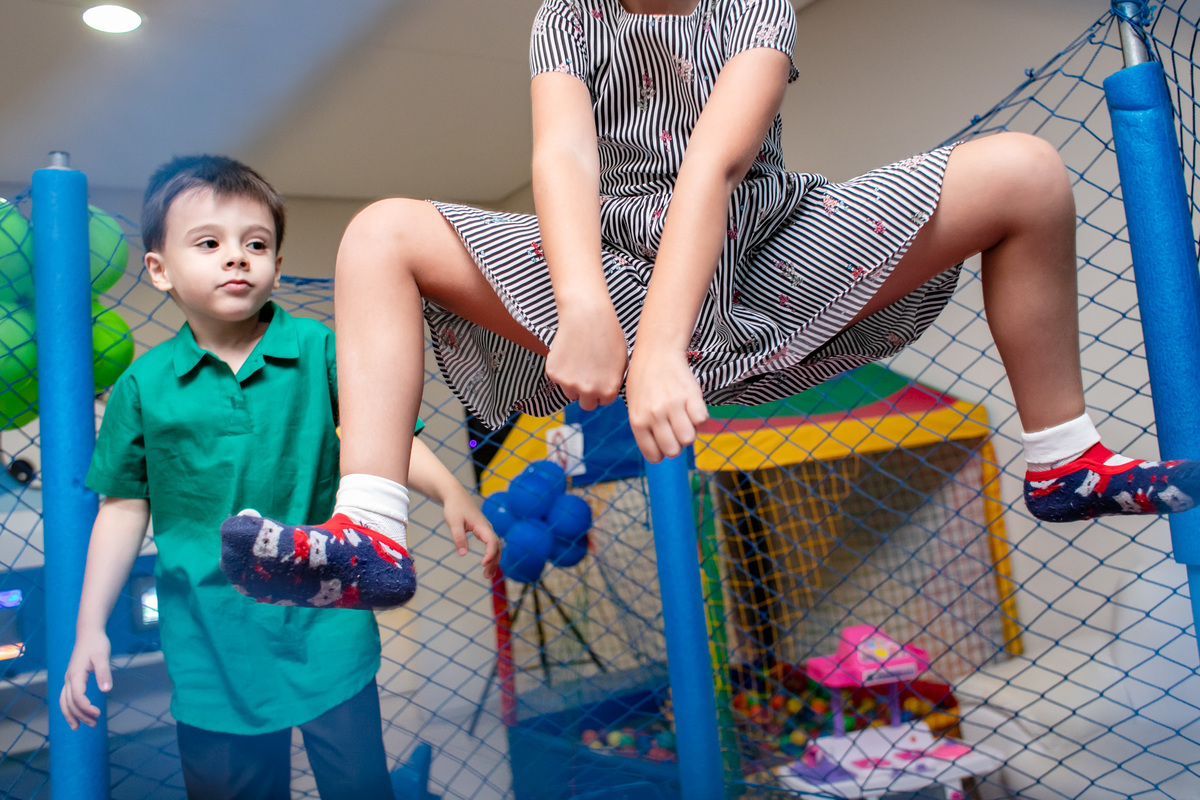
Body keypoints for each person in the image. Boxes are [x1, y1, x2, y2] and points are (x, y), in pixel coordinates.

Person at [225, 0, 1200, 608]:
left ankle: (1065, 456)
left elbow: (716, 162)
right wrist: (583, 305)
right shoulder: (568, 15)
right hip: (609, 262)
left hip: (768, 256)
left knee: (1026, 172)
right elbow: (562, 157)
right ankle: (369, 532)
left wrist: (658, 347)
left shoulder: (749, 4)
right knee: (379, 233)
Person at [59, 155, 500, 800]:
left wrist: (451, 489)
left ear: (276, 264)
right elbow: (123, 509)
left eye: (255, 244)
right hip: (212, 641)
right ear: (160, 270)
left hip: (326, 625)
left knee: (359, 787)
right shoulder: (141, 388)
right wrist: (88, 625)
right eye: (209, 243)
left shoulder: (319, 348)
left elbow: (381, 440)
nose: (236, 258)